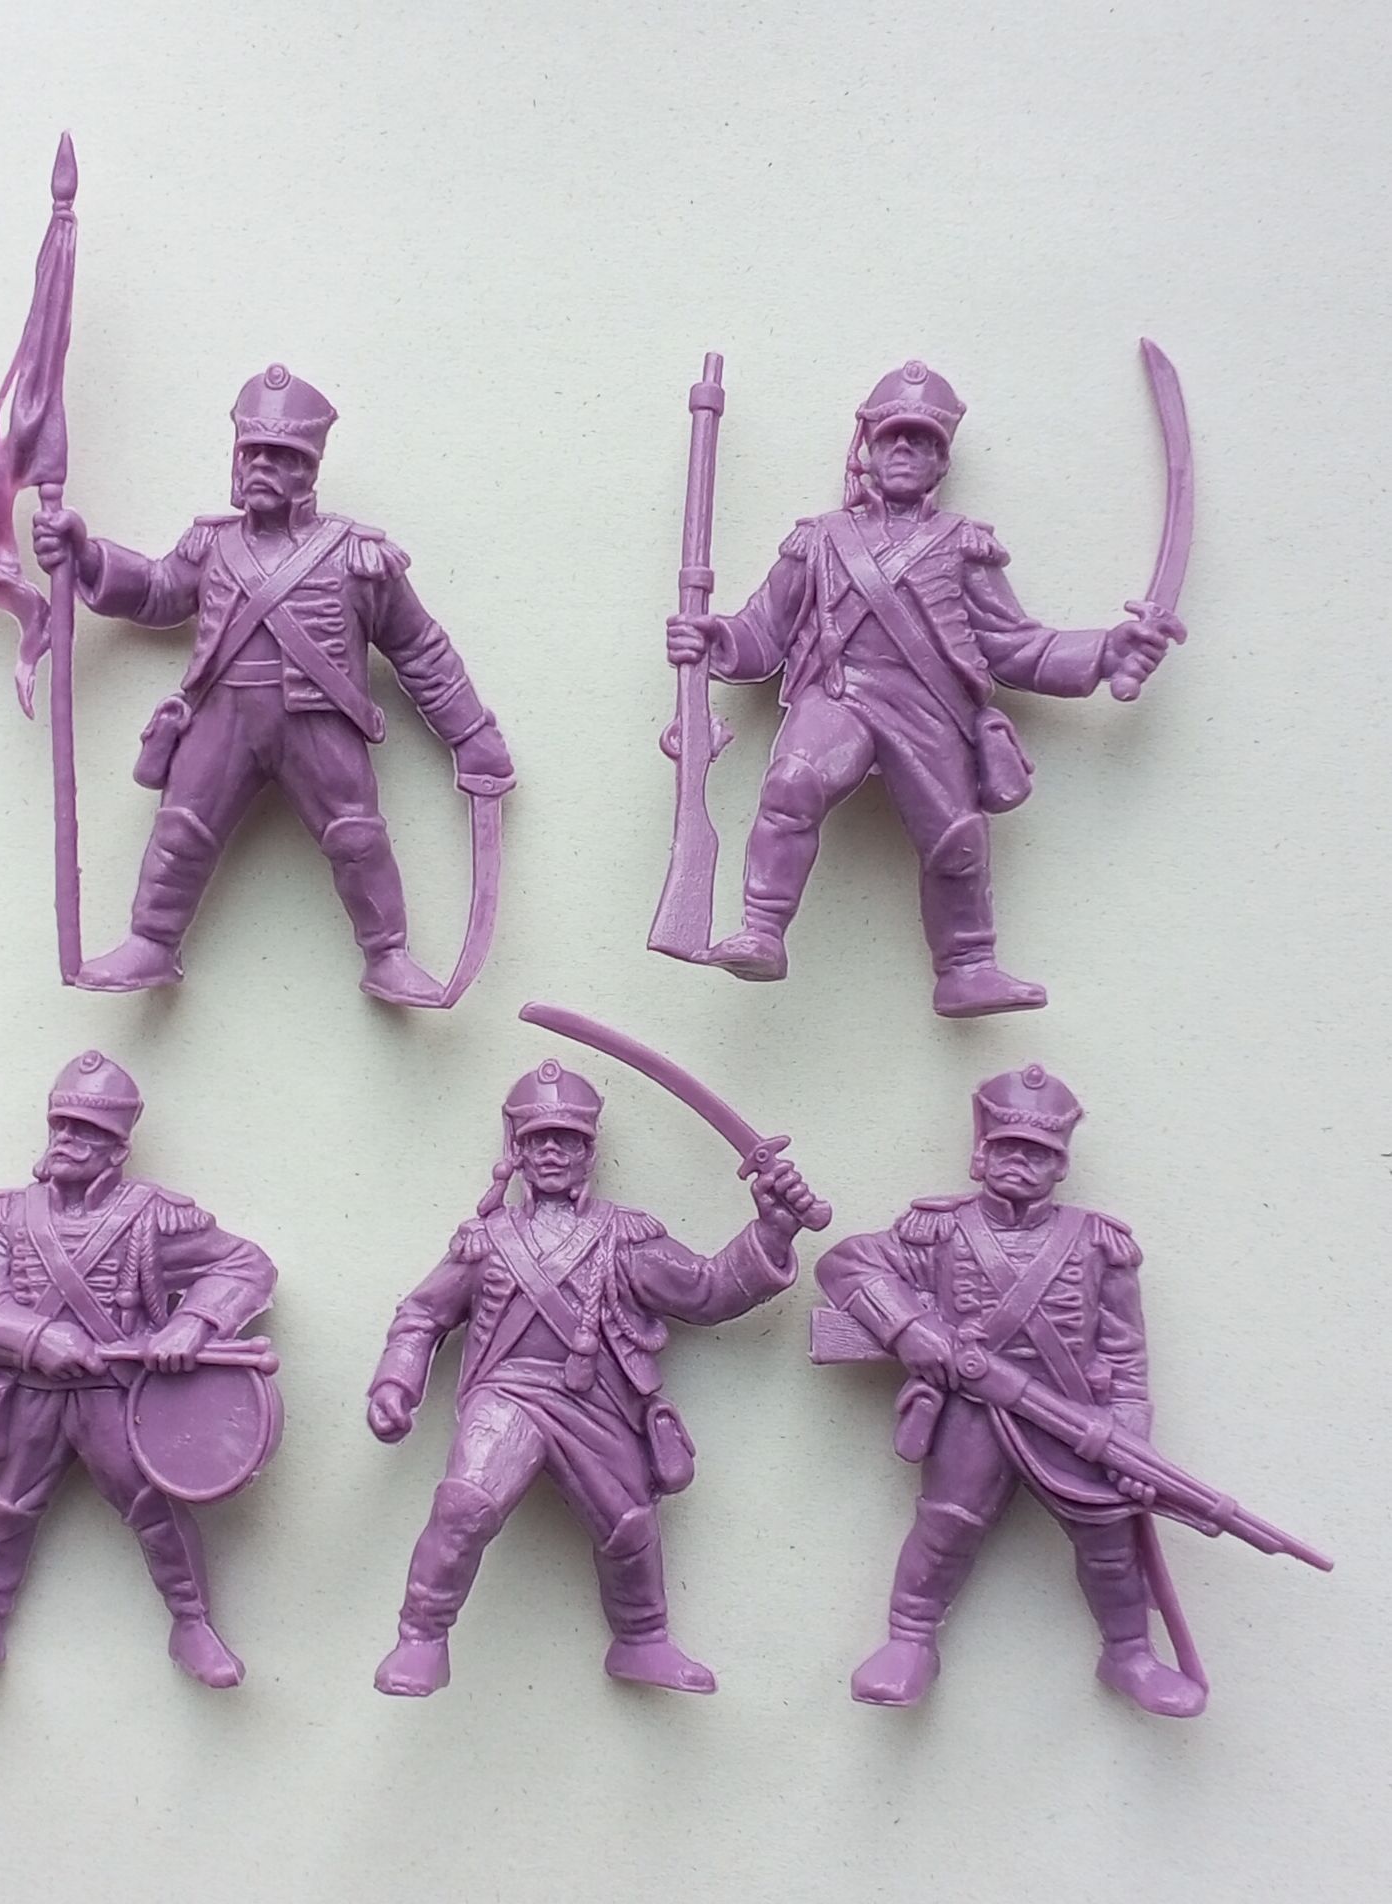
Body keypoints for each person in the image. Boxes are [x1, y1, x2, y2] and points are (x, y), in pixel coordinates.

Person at [667, 360, 1183, 1015]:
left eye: (923, 440)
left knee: (956, 840)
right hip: (838, 696)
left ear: (942, 459)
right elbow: (762, 632)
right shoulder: (818, 541)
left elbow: (1016, 645)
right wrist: (714, 639)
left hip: (929, 710)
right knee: (792, 780)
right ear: (869, 448)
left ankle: (966, 968)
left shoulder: (963, 547)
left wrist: (1107, 650)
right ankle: (762, 931)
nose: (906, 450)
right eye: (893, 437)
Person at [33, 364, 512, 1004]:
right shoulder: (210, 545)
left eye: (281, 456)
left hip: (320, 720)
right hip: (221, 715)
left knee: (356, 836)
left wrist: (471, 734)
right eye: (252, 453)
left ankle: (388, 955)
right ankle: (151, 942)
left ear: (309, 471)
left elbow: (419, 647)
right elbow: (156, 591)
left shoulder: (357, 558)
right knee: (181, 829)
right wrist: (86, 556)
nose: (261, 466)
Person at [368, 1060, 818, 1695]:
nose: (553, 1152)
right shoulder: (485, 1242)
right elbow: (423, 1314)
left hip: (597, 1400)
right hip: (508, 1394)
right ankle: (420, 1637)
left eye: (568, 1139)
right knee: (465, 1504)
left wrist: (772, 1229)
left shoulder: (625, 1237)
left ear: (589, 1151)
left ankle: (642, 1641)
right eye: (538, 1140)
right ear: (517, 1151)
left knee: (630, 1527)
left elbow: (707, 1290)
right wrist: (396, 1383)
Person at [814, 1064, 1205, 1716]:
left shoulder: (1098, 1245)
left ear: (1060, 1165)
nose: (1021, 1162)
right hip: (970, 1414)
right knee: (945, 1526)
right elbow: (844, 1263)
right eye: (1008, 1149)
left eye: (1039, 1153)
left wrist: (1131, 1438)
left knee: (1110, 1544)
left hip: (1072, 1416)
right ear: (982, 1154)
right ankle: (909, 1642)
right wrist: (909, 1329)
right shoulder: (939, 1231)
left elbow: (1125, 1352)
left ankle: (1129, 1654)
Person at [0, 1052, 276, 1688]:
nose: (66, 1140)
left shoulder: (155, 1217)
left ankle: (192, 1623)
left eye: (84, 1131)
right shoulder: (4, 1218)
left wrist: (193, 1324)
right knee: (5, 1506)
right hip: (30, 1393)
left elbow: (247, 1266)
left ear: (117, 1147)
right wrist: (38, 1336)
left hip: (115, 1395)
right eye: (60, 1126)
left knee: (153, 1507)